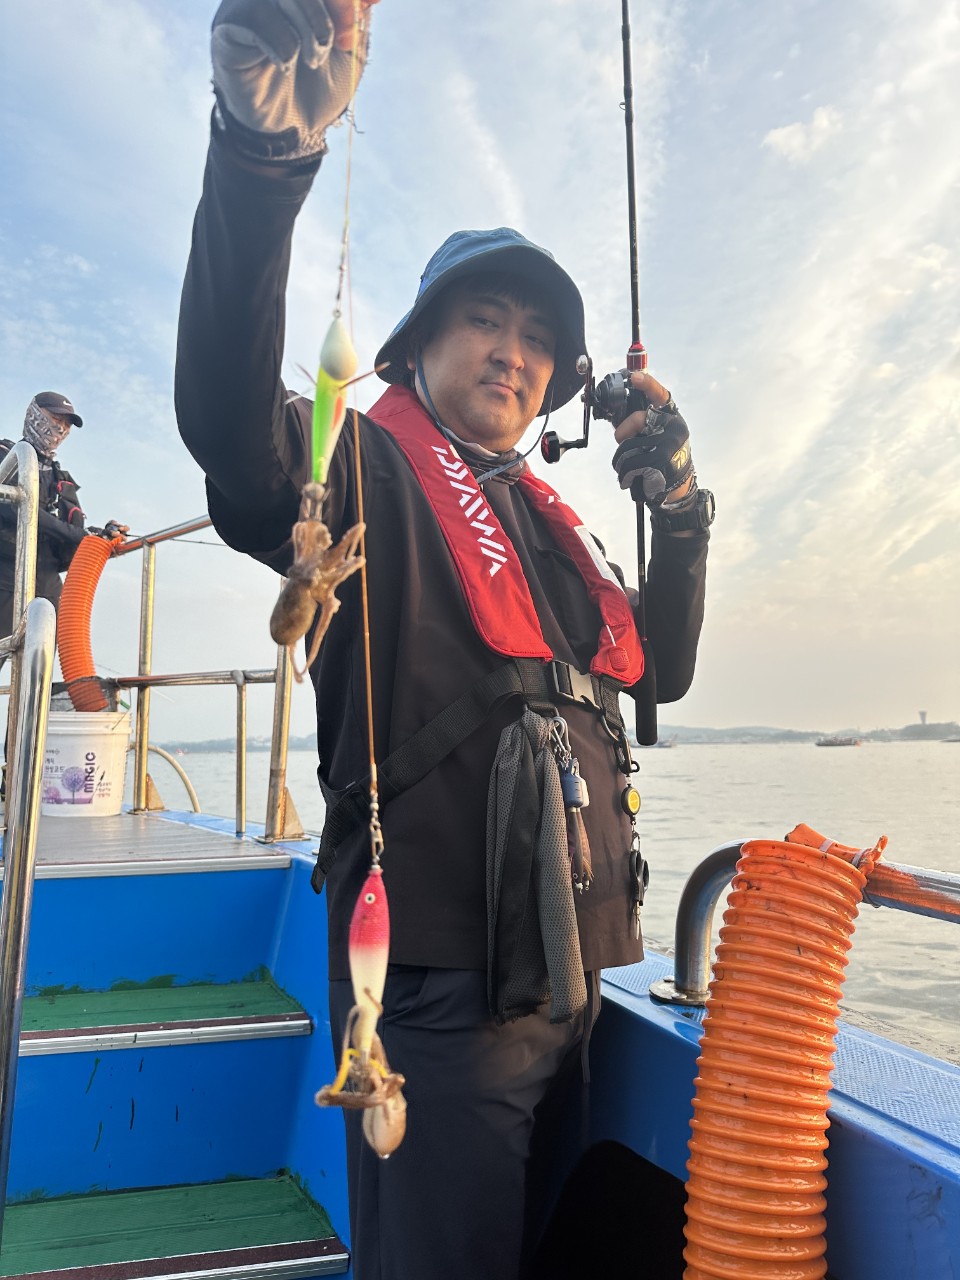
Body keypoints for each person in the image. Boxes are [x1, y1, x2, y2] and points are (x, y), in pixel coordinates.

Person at [175, 4, 712, 1277]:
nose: (515, 355)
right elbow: (226, 422)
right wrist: (261, 160)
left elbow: (665, 669)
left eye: (538, 342)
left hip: (576, 983)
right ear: (417, 343)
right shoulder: (362, 466)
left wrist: (685, 512)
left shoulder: (555, 526)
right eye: (487, 321)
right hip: (431, 994)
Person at [0, 391, 127, 644]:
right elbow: (14, 509)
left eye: (67, 424)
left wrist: (101, 536)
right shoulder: (7, 457)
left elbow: (71, 531)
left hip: (47, 587)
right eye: (56, 418)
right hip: (5, 577)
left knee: (41, 662)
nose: (61, 428)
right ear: (34, 414)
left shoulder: (63, 481)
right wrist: (81, 535)